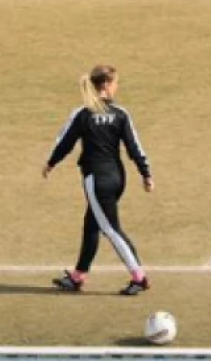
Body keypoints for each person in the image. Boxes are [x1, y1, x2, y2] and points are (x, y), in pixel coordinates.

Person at [43, 64, 153, 296]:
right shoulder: (121, 114)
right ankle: (77, 276)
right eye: (116, 83)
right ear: (107, 85)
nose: (117, 87)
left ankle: (139, 277)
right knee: (91, 225)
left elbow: (65, 143)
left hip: (96, 180)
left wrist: (51, 163)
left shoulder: (83, 115)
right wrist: (146, 174)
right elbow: (135, 147)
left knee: (111, 229)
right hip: (117, 178)